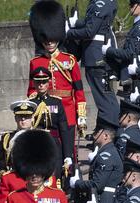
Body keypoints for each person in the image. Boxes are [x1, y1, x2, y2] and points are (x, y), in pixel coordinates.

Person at [28, 2, 87, 139]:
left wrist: (81, 115)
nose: (49, 42)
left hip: (67, 110)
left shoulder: (70, 60)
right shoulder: (36, 63)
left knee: (68, 153)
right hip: (45, 110)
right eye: (46, 40)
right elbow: (31, 90)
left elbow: (78, 90)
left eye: (52, 39)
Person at [65, 0, 120, 123]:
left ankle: (109, 131)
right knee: (107, 96)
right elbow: (92, 23)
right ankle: (109, 129)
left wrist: (68, 33)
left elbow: (90, 31)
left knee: (102, 98)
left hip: (95, 56)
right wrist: (76, 22)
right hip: (98, 55)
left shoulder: (100, 3)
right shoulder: (106, 2)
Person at [28, 67, 75, 178]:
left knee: (55, 175)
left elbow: (64, 129)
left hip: (53, 144)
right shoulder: (30, 103)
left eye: (44, 82)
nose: (41, 85)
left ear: (48, 83)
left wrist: (67, 155)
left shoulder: (56, 102)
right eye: (38, 82)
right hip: (36, 142)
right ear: (34, 83)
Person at [104, 0, 140, 89]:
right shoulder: (137, 24)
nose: (130, 7)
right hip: (128, 72)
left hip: (134, 73)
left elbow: (130, 53)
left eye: (133, 4)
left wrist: (108, 50)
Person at [0, 102, 36, 177]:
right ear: (15, 118)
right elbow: (0, 164)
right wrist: (6, 177)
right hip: (13, 179)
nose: (23, 119)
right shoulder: (6, 138)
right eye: (20, 116)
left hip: (35, 179)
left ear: (32, 118)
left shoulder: (41, 137)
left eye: (26, 116)